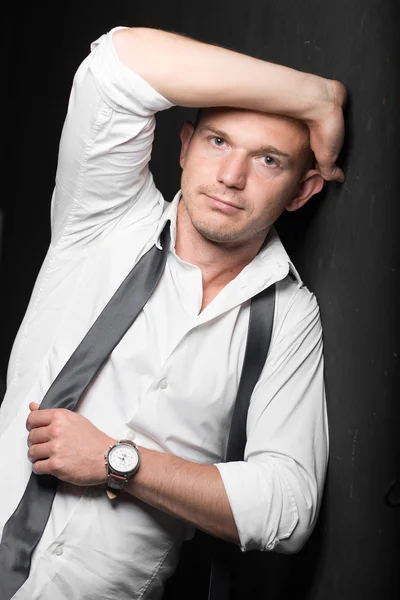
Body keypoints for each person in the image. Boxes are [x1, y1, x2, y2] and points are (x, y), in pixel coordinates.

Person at [0, 25, 346, 600]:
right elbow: (117, 65)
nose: (231, 178)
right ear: (183, 145)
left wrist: (118, 462)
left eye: (267, 159)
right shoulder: (104, 222)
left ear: (304, 190)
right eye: (217, 142)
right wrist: (315, 98)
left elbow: (287, 506)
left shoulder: (288, 316)